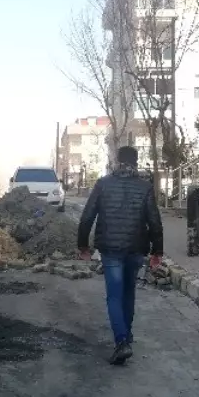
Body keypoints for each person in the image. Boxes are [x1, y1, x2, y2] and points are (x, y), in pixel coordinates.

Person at [77, 146, 164, 365]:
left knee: (114, 295)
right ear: (136, 162)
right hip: (136, 247)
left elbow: (87, 216)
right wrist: (157, 251)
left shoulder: (103, 184)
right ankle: (127, 334)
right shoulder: (144, 187)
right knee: (128, 293)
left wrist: (83, 246)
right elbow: (155, 221)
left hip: (110, 248)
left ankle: (121, 340)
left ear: (116, 161)